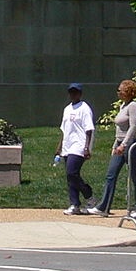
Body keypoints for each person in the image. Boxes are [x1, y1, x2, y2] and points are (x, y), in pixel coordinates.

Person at [96, 78, 136, 218]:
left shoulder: (134, 106)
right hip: (119, 144)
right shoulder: (122, 106)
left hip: (130, 145)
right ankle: (104, 206)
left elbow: (133, 127)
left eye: (120, 90)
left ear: (128, 91)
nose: (118, 92)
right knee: (111, 175)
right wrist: (115, 145)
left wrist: (124, 144)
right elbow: (119, 129)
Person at [57, 83, 96, 214]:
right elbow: (63, 130)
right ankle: (75, 204)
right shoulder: (67, 109)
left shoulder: (84, 108)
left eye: (76, 92)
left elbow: (89, 129)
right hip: (68, 146)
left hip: (79, 145)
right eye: (71, 92)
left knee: (72, 173)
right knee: (71, 177)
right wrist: (60, 146)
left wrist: (87, 147)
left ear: (80, 93)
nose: (73, 95)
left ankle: (89, 195)